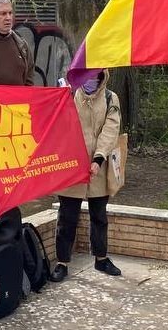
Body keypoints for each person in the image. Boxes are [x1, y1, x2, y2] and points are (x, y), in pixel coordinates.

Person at [52, 69, 122, 281]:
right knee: (67, 216)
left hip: (98, 166)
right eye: (87, 75)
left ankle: (101, 259)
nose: (91, 80)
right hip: (71, 164)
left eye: (96, 75)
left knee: (99, 215)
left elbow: (111, 129)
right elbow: (56, 125)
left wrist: (99, 158)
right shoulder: (66, 94)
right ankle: (62, 262)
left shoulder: (111, 97)